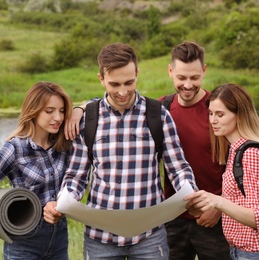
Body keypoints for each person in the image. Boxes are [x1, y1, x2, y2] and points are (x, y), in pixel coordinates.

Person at [60, 42, 198, 260]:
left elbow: (178, 167)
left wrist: (190, 191)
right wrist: (66, 198)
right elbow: (77, 176)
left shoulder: (158, 115)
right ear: (101, 79)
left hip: (150, 238)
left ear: (137, 73)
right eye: (114, 84)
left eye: (129, 82)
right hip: (100, 239)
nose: (123, 91)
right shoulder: (88, 119)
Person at [0, 81, 73, 260]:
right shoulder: (14, 149)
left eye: (61, 110)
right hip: (24, 242)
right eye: (49, 111)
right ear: (33, 111)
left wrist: (79, 112)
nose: (57, 117)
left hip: (59, 237)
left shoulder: (64, 144)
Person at [185, 83, 259, 260]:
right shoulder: (236, 151)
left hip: (255, 253)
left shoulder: (250, 155)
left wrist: (217, 202)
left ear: (239, 115)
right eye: (211, 113)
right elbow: (241, 200)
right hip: (243, 252)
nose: (213, 120)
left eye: (220, 114)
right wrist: (206, 204)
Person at [159, 41, 230, 260]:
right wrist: (79, 108)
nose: (188, 85)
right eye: (181, 78)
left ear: (204, 71)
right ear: (171, 72)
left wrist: (219, 207)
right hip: (174, 220)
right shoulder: (161, 108)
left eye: (194, 77)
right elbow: (118, 104)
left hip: (214, 220)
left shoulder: (218, 109)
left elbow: (239, 165)